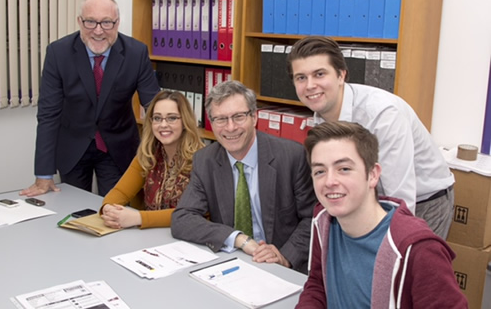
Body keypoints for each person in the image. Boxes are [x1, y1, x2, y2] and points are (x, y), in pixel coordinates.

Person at [287, 36, 454, 239]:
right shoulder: (322, 114)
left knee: (405, 265)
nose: (310, 85)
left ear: (341, 75)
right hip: (368, 201)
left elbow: (400, 199)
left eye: (319, 74)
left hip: (423, 202)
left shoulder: (383, 114)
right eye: (301, 78)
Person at [296, 121, 467, 308]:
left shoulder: (420, 249)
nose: (329, 181)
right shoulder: (323, 220)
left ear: (373, 175)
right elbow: (317, 284)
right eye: (319, 171)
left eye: (344, 169)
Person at [21, 0, 160, 197]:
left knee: (114, 212)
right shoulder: (58, 53)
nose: (98, 31)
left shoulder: (136, 53)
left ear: (117, 23)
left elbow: (154, 106)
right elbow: (48, 115)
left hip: (118, 147)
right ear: (79, 21)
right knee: (73, 212)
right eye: (90, 22)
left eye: (106, 23)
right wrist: (43, 174)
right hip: (72, 148)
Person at [171, 81, 316, 273]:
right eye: (221, 119)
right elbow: (182, 218)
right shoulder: (205, 161)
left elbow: (313, 219)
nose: (230, 128)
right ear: (211, 123)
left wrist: (285, 256)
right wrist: (239, 239)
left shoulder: (292, 157)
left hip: (283, 269)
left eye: (238, 117)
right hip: (234, 263)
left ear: (254, 117)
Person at [100, 90, 204, 229]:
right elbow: (120, 192)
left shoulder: (202, 160)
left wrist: (138, 218)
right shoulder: (148, 155)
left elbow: (193, 213)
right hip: (149, 237)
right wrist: (108, 209)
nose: (163, 125)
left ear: (185, 121)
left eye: (172, 118)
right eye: (157, 118)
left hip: (187, 239)